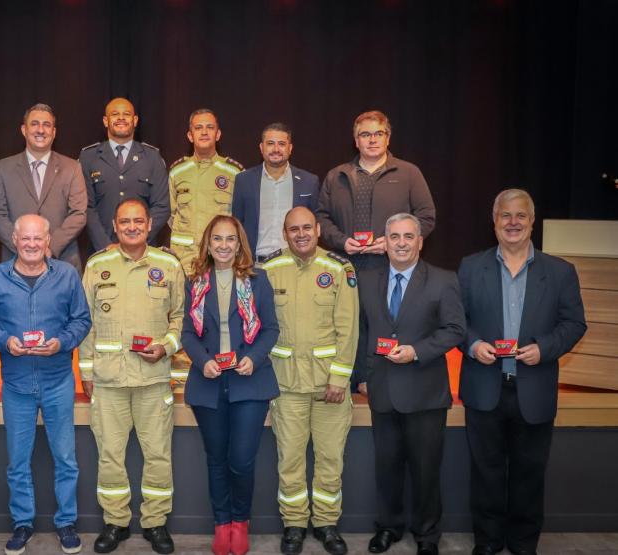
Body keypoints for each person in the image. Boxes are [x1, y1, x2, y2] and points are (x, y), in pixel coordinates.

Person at [458, 189, 586, 555]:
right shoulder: (470, 267)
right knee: (486, 473)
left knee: (530, 474)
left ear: (532, 221)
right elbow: (456, 321)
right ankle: (487, 541)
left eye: (520, 216)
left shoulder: (560, 272)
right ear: (494, 221)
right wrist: (472, 344)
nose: (512, 223)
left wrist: (545, 348)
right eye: (505, 216)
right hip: (485, 387)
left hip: (534, 388)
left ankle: (523, 543)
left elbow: (574, 324)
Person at [0, 214, 92, 555]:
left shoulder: (67, 276)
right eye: (24, 238)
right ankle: (22, 523)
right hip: (16, 385)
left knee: (66, 459)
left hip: (58, 382)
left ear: (47, 240)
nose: (30, 244)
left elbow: (82, 319)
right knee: (18, 462)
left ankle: (66, 522)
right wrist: (4, 341)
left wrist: (62, 342)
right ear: (14, 239)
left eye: (37, 239)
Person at [79, 198, 185, 554]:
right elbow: (86, 323)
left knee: (157, 454)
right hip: (108, 381)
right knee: (110, 454)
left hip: (153, 380)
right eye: (125, 221)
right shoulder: (97, 265)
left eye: (138, 221)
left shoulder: (168, 264)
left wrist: (167, 347)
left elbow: (180, 318)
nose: (132, 227)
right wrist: (86, 371)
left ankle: (156, 523)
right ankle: (116, 522)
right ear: (114, 224)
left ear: (150, 223)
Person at [355, 213, 465, 555]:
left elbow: (455, 330)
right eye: (394, 237)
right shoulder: (367, 280)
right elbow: (361, 332)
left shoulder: (444, 280)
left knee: (426, 471)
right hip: (382, 390)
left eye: (408, 236)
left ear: (420, 241)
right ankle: (388, 527)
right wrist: (361, 376)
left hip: (425, 392)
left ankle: (427, 535)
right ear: (384, 242)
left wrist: (417, 351)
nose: (401, 243)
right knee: (387, 468)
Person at [180, 215, 280, 555]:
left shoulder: (258, 280)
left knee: (241, 460)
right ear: (208, 244)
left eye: (230, 240)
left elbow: (270, 330)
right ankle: (222, 524)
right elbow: (186, 333)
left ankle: (241, 521)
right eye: (217, 239)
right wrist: (201, 360)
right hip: (208, 382)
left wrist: (254, 356)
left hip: (249, 381)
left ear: (240, 245)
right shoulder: (194, 281)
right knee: (216, 458)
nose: (224, 245)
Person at [261, 207, 358, 555]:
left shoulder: (339, 269)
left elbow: (348, 329)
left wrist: (339, 377)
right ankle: (294, 524)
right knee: (289, 459)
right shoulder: (269, 270)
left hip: (328, 386)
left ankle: (327, 523)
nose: (300, 234)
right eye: (293, 229)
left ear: (318, 229)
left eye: (306, 227)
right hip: (286, 386)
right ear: (284, 234)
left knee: (331, 459)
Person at [316, 110, 435, 271]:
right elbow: (322, 218)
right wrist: (341, 241)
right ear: (356, 141)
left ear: (388, 138)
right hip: (344, 266)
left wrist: (392, 242)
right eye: (365, 134)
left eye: (379, 133)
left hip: (392, 265)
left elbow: (426, 216)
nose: (372, 140)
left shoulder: (409, 173)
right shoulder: (335, 176)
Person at [0, 103, 88, 271]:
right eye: (34, 124)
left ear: (54, 132)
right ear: (23, 130)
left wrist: (50, 247)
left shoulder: (72, 167)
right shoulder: (2, 168)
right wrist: (24, 248)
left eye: (46, 125)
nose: (40, 130)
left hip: (62, 260)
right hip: (15, 262)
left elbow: (78, 214)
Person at [80, 97, 169, 250]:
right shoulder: (88, 157)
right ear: (105, 121)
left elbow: (162, 206)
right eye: (115, 114)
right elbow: (86, 207)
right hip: (101, 250)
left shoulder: (152, 157)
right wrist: (105, 245)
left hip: (144, 249)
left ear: (135, 120)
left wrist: (137, 239)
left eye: (126, 114)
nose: (121, 118)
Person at [232, 123, 320, 262]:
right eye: (270, 143)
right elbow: (236, 224)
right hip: (255, 265)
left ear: (290, 148)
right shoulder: (244, 181)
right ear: (261, 148)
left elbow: (315, 225)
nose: (276, 149)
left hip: (293, 264)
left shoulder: (309, 182)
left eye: (282, 144)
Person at [168, 109, 243, 269]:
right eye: (198, 128)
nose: (204, 132)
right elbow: (171, 215)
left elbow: (240, 217)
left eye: (210, 127)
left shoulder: (234, 172)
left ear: (218, 134)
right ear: (190, 136)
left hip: (221, 258)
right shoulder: (177, 171)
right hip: (185, 259)